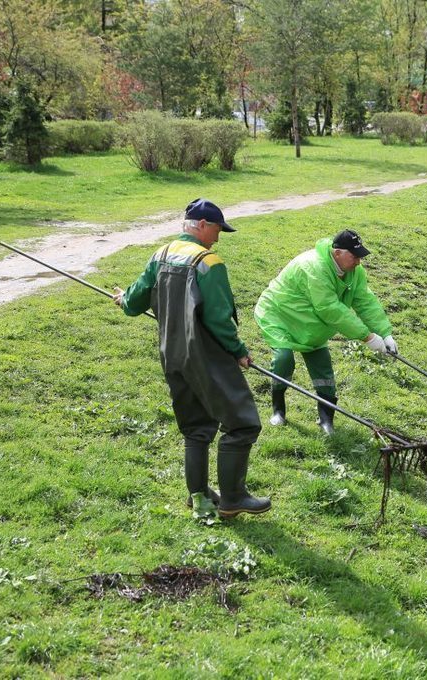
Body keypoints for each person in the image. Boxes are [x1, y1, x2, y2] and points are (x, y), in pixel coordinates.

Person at [113, 198, 270, 518]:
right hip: (207, 356)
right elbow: (218, 318)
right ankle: (233, 498)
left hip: (172, 354)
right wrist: (238, 351)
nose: (218, 236)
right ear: (200, 225)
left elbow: (134, 301)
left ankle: (198, 495)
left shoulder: (161, 254)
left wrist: (122, 299)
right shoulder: (208, 262)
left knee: (197, 428)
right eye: (216, 229)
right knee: (243, 424)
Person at [254, 229, 395, 435]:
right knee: (284, 359)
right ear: (337, 253)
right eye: (354, 256)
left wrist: (385, 332)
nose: (358, 262)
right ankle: (278, 410)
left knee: (323, 371)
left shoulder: (355, 273)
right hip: (280, 315)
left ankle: (326, 420)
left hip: (313, 324)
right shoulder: (314, 266)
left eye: (360, 257)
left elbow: (366, 302)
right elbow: (329, 308)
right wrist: (367, 336)